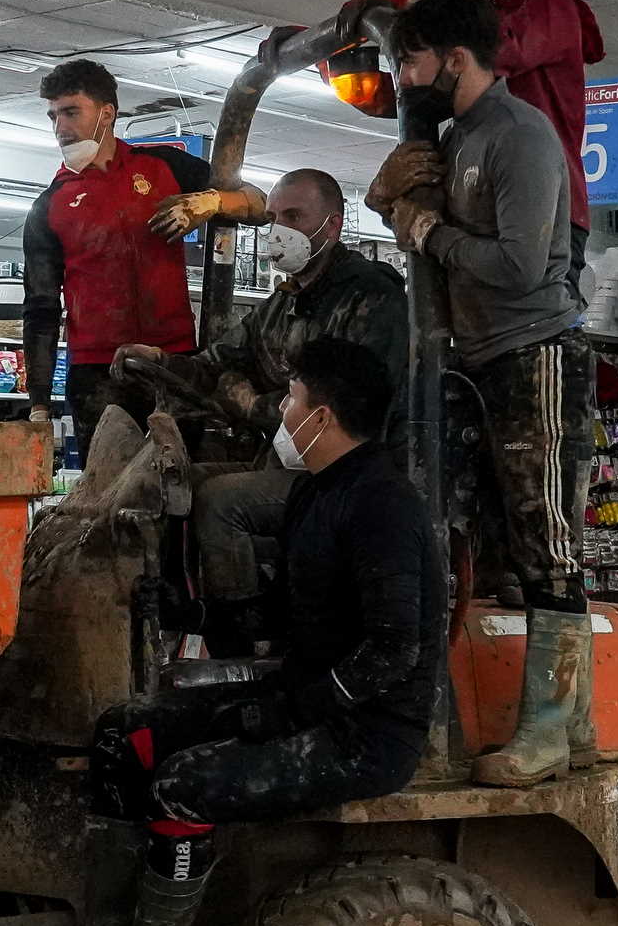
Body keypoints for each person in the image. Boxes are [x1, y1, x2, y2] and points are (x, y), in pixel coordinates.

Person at [56, 337, 442, 926]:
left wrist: (286, 713)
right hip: (301, 699)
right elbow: (277, 616)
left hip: (365, 734)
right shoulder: (315, 495)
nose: (283, 412)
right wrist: (193, 612)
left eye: (292, 399)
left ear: (321, 417)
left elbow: (392, 653)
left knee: (183, 783)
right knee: (124, 734)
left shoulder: (384, 505)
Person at [373, 0, 593, 783]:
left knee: (547, 545)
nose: (402, 76)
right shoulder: (458, 135)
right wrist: (399, 203)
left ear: (454, 60)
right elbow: (414, 218)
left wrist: (430, 233)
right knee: (509, 544)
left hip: (537, 353)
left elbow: (518, 265)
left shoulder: (518, 135)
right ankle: (578, 725)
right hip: (486, 357)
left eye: (410, 59)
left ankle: (547, 732)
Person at [109, 169, 408, 647]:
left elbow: (355, 401)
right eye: (272, 218)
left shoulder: (370, 295)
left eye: (294, 216)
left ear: (331, 225)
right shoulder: (282, 303)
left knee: (221, 501)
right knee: (174, 485)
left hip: (346, 476)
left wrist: (254, 404)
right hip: (290, 459)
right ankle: (177, 611)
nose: (278, 229)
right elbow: (220, 362)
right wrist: (162, 362)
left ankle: (241, 634)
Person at [20, 59, 266, 436]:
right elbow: (41, 308)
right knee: (109, 488)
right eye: (53, 116)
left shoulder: (163, 166)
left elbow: (260, 204)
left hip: (173, 362)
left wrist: (210, 202)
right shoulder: (49, 205)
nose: (60, 128)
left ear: (106, 114)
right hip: (97, 373)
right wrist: (38, 403)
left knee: (182, 478)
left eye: (71, 112)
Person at [474, 0, 605, 264]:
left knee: (538, 320)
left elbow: (499, 55)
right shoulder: (485, 15)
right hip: (494, 200)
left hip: (549, 206)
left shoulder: (554, 5)